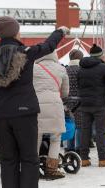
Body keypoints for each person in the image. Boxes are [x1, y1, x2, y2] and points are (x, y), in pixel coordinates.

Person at [0, 16, 69, 188]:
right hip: (25, 112)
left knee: (8, 157)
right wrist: (61, 31)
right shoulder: (25, 52)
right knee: (29, 156)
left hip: (3, 114)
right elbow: (48, 46)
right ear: (14, 32)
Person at [77, 44, 105, 167]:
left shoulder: (81, 68)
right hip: (100, 103)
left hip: (84, 104)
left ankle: (84, 158)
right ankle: (102, 158)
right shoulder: (104, 68)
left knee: (85, 130)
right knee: (100, 131)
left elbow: (79, 85)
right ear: (100, 55)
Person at [34, 51, 69, 180]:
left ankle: (33, 170)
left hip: (36, 105)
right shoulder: (60, 68)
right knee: (56, 137)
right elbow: (65, 92)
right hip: (55, 105)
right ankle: (51, 169)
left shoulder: (33, 68)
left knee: (36, 136)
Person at [65, 49, 84, 153]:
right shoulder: (81, 70)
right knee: (79, 126)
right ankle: (79, 148)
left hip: (67, 101)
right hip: (80, 102)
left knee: (70, 124)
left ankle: (69, 148)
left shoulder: (65, 70)